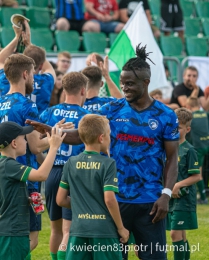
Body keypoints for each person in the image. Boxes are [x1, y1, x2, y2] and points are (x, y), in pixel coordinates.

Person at [27, 44, 180, 260]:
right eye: (122, 83)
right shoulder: (112, 109)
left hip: (151, 202)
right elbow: (83, 135)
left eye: (130, 84)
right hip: (115, 202)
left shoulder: (165, 115)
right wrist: (53, 131)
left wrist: (165, 194)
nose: (124, 88)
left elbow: (173, 157)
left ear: (146, 83)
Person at [56, 114, 129, 259]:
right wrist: (121, 228)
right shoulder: (108, 163)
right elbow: (109, 199)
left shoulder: (70, 162)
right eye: (109, 135)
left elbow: (60, 200)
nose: (110, 138)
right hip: (104, 231)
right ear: (101, 138)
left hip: (78, 229)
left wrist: (82, 205)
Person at [40, 72, 90, 260]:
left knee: (55, 229)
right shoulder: (86, 117)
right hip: (74, 174)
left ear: (64, 89)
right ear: (83, 90)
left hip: (52, 172)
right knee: (68, 229)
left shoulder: (50, 112)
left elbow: (36, 142)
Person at [0, 122, 65, 260]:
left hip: (11, 232)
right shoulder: (10, 165)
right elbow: (41, 175)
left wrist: (26, 199)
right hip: (12, 234)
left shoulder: (4, 164)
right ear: (14, 143)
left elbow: (6, 195)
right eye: (23, 138)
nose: (26, 142)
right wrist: (53, 147)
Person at [0, 20, 56, 114]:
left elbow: (1, 60)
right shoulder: (46, 80)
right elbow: (49, 68)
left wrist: (17, 37)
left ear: (24, 58)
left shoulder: (5, 78)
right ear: (41, 65)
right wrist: (29, 43)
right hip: (37, 127)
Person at [169, 107, 200, 260]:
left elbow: (197, 176)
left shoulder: (189, 150)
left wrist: (177, 185)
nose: (175, 130)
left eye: (179, 128)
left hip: (183, 199)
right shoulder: (168, 147)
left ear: (187, 129)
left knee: (175, 234)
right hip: (170, 198)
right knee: (181, 234)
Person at [186, 97, 209, 204]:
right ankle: (201, 196)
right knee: (199, 171)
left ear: (188, 106)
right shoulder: (204, 114)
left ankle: (203, 197)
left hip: (199, 146)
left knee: (197, 173)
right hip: (208, 143)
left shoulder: (191, 117)